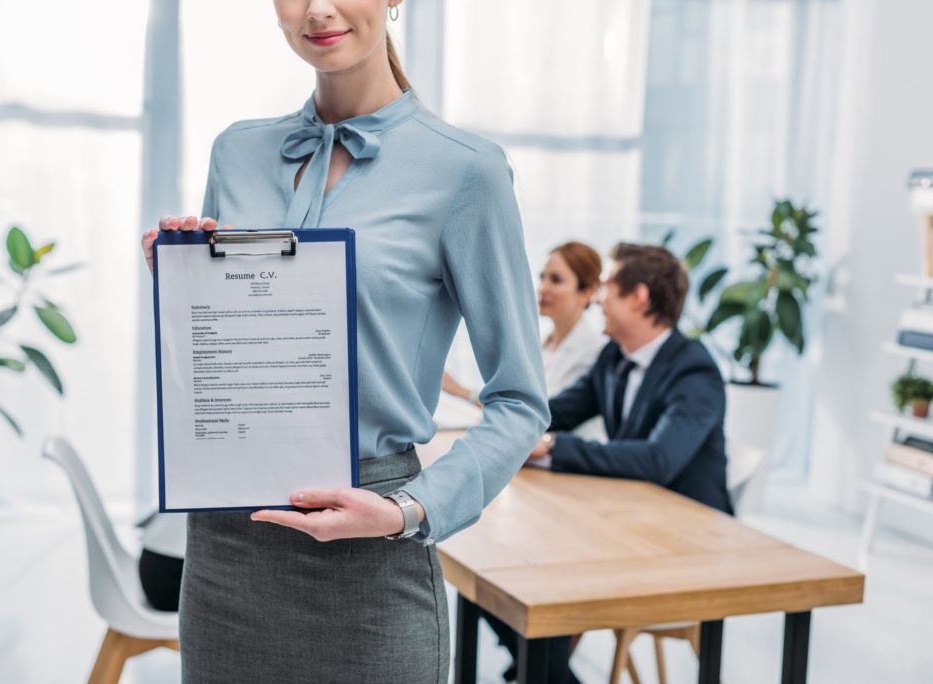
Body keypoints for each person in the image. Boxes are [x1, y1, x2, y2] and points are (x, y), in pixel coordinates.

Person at [139, 2, 549, 682]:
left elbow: (520, 403)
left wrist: (406, 510)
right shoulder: (235, 151)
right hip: (225, 549)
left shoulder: (467, 170)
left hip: (371, 543)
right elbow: (215, 361)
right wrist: (182, 283)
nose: (319, 9)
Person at [489, 242, 731, 683]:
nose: (597, 298)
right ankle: (544, 671)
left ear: (638, 296)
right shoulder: (614, 356)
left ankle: (541, 671)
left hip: (685, 546)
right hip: (627, 524)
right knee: (501, 570)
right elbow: (556, 410)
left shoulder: (694, 371)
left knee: (543, 572)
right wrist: (509, 418)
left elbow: (659, 459)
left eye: (607, 288)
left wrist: (553, 447)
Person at [442, 242, 609, 417]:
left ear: (587, 293)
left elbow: (538, 414)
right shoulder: (540, 343)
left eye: (556, 280)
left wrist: (462, 392)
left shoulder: (595, 353)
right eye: (541, 277)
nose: (542, 288)